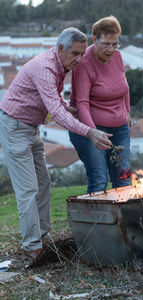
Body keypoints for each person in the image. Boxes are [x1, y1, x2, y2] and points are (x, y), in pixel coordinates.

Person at [0, 27, 112, 264]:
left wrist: (71, 109)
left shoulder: (60, 65)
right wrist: (90, 132)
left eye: (82, 54)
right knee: (28, 190)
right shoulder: (45, 68)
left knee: (43, 183)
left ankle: (41, 238)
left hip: (31, 128)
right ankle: (32, 249)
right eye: (74, 54)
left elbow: (54, 101)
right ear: (60, 48)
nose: (79, 60)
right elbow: (57, 114)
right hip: (14, 128)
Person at [69, 16, 133, 193]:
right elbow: (81, 103)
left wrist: (127, 113)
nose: (111, 49)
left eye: (115, 44)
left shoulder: (118, 57)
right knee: (99, 180)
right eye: (106, 44)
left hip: (120, 130)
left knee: (123, 178)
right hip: (92, 129)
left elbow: (123, 87)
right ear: (94, 39)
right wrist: (93, 133)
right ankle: (98, 220)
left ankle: (125, 220)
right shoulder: (84, 64)